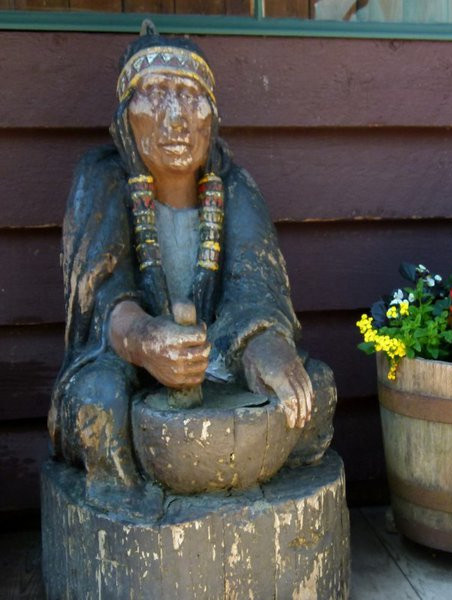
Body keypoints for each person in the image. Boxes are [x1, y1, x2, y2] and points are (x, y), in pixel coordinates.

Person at [49, 22, 334, 513]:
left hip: (220, 358)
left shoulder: (234, 187)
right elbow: (103, 297)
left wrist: (266, 346)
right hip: (125, 365)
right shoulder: (101, 180)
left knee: (316, 391)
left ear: (212, 118)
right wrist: (145, 341)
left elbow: (256, 288)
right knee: (98, 404)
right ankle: (128, 513)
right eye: (156, 95)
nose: (176, 119)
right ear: (125, 119)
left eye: (190, 97)